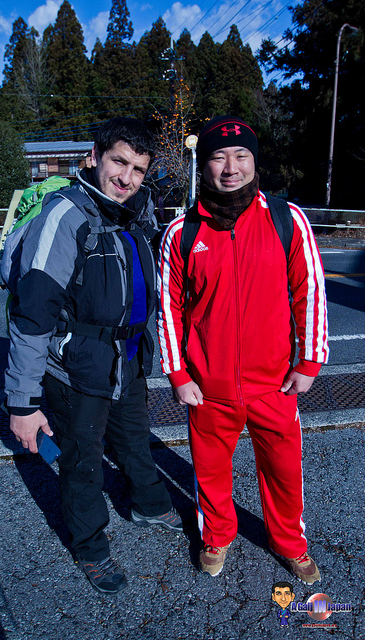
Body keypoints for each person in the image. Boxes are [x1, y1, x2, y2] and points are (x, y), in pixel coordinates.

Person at [4, 117, 182, 595]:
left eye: (138, 169)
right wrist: (22, 403)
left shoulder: (136, 214)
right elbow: (32, 315)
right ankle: (90, 546)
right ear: (94, 157)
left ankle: (148, 504)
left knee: (134, 438)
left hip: (127, 359)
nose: (127, 178)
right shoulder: (66, 216)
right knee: (82, 460)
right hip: (76, 369)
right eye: (118, 162)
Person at [157, 115, 328, 585]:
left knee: (284, 471)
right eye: (218, 157)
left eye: (241, 156)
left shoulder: (285, 219)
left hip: (275, 382)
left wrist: (309, 361)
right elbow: (168, 308)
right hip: (207, 387)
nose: (230, 168)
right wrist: (178, 374)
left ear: (255, 161)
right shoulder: (182, 232)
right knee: (210, 471)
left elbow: (309, 292)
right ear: (205, 165)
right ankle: (217, 535)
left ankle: (290, 544)